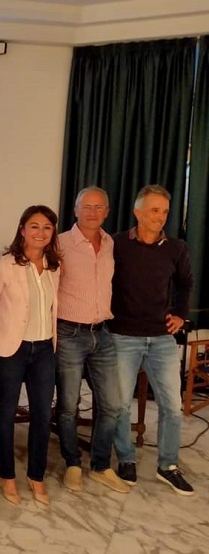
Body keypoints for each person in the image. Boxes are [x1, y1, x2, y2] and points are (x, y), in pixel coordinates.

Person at [110, 185, 194, 495]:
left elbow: (186, 283)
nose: (160, 217)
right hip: (123, 336)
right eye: (154, 210)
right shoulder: (117, 244)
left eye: (165, 212)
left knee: (172, 406)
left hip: (161, 338)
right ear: (138, 212)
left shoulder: (176, 248)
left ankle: (168, 466)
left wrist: (181, 315)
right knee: (120, 405)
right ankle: (126, 459)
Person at [56, 187, 129, 494]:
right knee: (68, 406)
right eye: (86, 206)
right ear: (75, 210)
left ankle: (100, 465)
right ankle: (72, 463)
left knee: (112, 404)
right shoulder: (59, 243)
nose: (92, 212)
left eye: (99, 207)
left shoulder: (111, 243)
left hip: (103, 333)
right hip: (69, 334)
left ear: (107, 212)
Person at [0, 205, 61, 506]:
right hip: (12, 348)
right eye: (34, 226)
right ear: (22, 230)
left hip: (44, 348)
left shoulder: (54, 266)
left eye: (47, 227)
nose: (40, 232)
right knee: (7, 413)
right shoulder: (6, 264)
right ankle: (7, 476)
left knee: (43, 415)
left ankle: (36, 475)